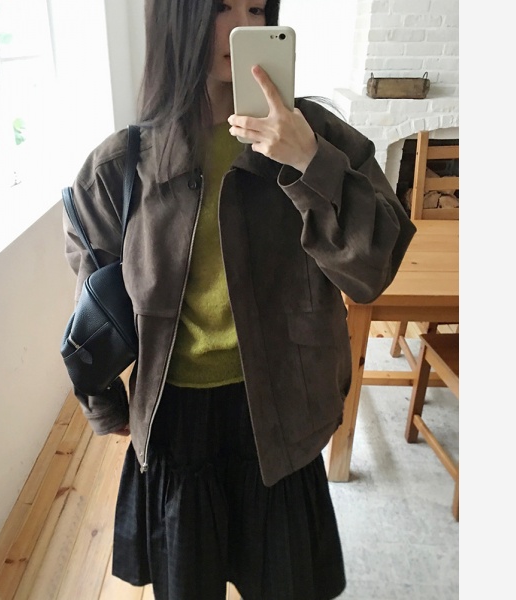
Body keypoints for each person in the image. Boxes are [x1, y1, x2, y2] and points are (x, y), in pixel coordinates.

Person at [63, 1, 417, 598]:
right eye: (222, 6)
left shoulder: (318, 136)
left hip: (284, 408)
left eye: (257, 7)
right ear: (178, 19)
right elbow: (91, 309)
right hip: (177, 418)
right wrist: (104, 403)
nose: (245, 26)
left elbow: (373, 270)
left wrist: (308, 160)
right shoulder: (121, 166)